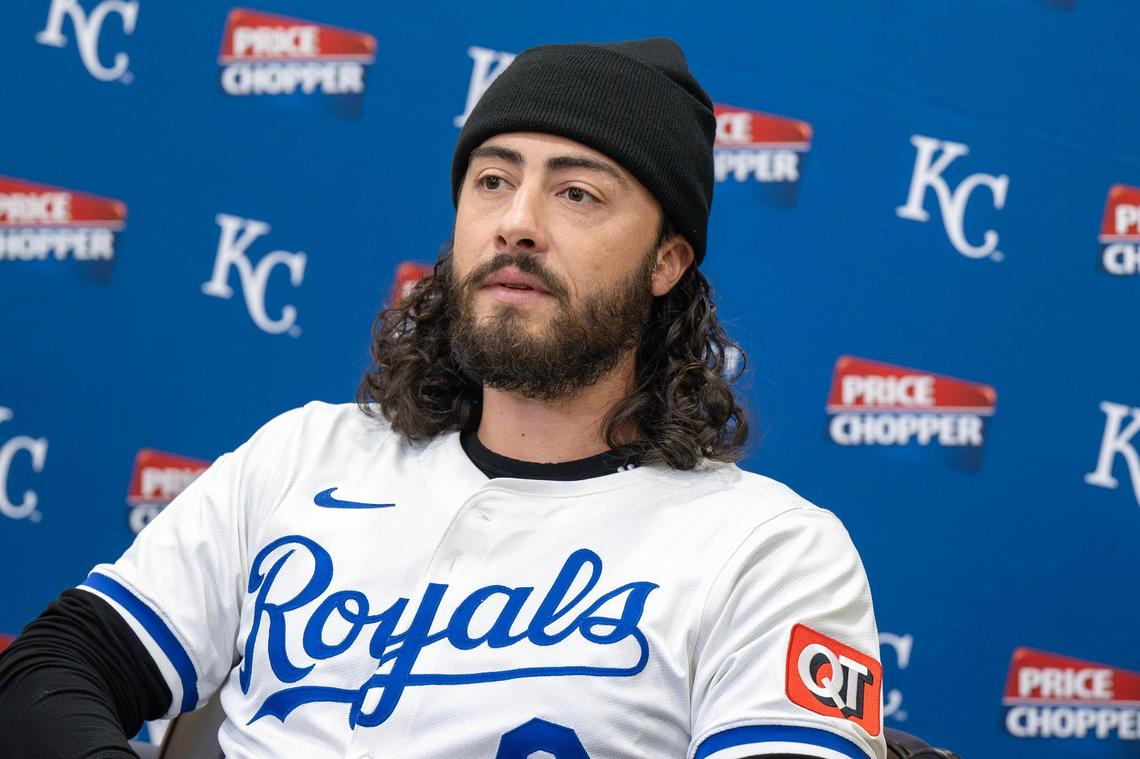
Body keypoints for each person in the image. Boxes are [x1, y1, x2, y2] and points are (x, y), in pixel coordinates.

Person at [0, 38, 885, 759]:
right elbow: (53, 667)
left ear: (667, 262)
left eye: (577, 193)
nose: (517, 220)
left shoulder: (770, 551)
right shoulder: (306, 455)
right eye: (493, 180)